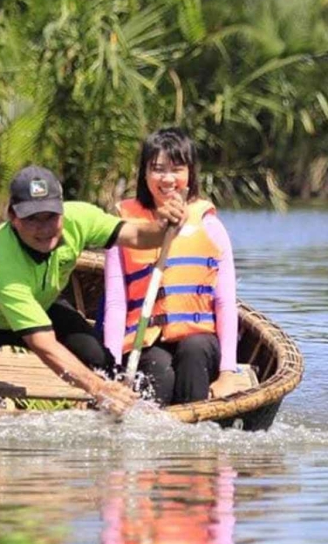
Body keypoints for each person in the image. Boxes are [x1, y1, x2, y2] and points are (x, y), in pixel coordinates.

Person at [0, 164, 185, 413]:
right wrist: (98, 388)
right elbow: (44, 346)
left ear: (63, 209)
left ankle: (116, 413)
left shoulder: (80, 218)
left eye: (50, 216)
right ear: (12, 217)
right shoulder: (0, 262)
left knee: (102, 361)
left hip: (42, 303)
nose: (44, 228)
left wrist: (162, 227)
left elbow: (136, 234)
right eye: (32, 219)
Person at [101, 128, 245, 406]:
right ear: (144, 174)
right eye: (157, 169)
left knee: (194, 350)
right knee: (159, 370)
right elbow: (116, 304)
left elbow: (225, 302)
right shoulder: (124, 229)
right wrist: (113, 370)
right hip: (147, 341)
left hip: (200, 340)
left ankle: (194, 428)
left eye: (176, 169)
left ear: (190, 173)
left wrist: (228, 371)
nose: (167, 179)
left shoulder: (211, 226)